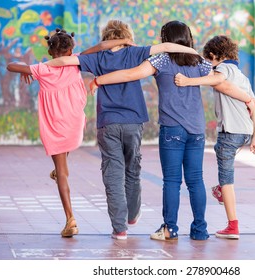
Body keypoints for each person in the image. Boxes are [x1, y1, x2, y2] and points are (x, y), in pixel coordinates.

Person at [45, 20, 199, 240]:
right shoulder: (136, 53)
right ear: (126, 35)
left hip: (108, 123)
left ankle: (120, 229)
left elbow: (63, 61)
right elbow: (166, 47)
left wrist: (38, 69)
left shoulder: (96, 58)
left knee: (113, 175)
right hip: (133, 120)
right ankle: (133, 214)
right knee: (132, 169)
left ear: (106, 37)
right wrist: (192, 50)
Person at [89, 20, 216, 241]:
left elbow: (130, 75)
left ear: (165, 39)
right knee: (196, 180)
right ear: (188, 38)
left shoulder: (161, 60)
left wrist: (99, 80)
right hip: (196, 129)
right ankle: (200, 229)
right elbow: (218, 77)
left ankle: (170, 229)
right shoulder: (200, 61)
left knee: (172, 181)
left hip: (172, 128)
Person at [6, 28, 132, 238]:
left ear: (50, 51)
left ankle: (70, 219)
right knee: (63, 160)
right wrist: (127, 40)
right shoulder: (76, 61)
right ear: (71, 48)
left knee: (62, 172)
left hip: (54, 127)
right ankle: (59, 172)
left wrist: (24, 71)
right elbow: (101, 46)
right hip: (74, 124)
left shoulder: (42, 68)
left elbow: (10, 65)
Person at [174, 35, 255, 239]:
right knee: (225, 173)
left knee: (227, 178)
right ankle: (222, 191)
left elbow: (217, 79)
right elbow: (254, 105)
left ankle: (232, 225)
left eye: (210, 61)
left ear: (214, 56)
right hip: (244, 132)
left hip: (230, 132)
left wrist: (188, 81)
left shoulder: (224, 69)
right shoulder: (241, 75)